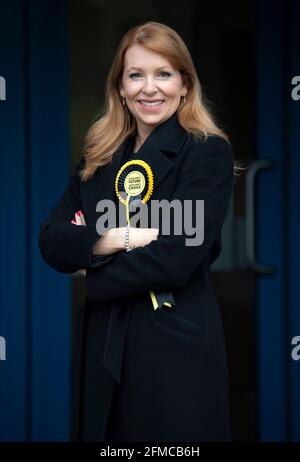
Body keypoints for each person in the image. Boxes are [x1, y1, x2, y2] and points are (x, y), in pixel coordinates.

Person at [39, 21, 236, 442]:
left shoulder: (206, 152)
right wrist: (118, 238)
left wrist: (91, 267)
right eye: (136, 75)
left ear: (185, 84)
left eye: (163, 74)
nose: (150, 88)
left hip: (172, 344)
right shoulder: (100, 156)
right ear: (121, 89)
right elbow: (52, 240)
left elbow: (174, 258)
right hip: (103, 340)